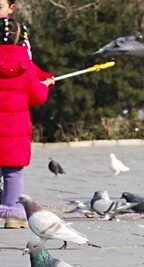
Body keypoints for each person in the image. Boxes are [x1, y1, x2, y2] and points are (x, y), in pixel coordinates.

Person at [0, 18, 54, 228]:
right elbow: (37, 97)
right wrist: (45, 85)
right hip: (15, 131)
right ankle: (11, 214)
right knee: (13, 173)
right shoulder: (26, 66)